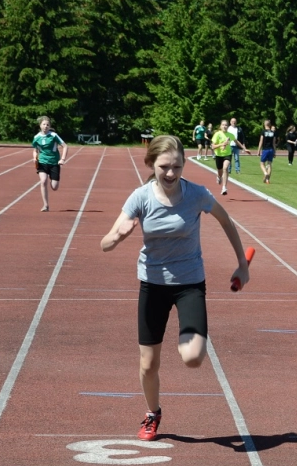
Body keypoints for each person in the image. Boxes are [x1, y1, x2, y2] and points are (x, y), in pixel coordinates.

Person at [100, 135, 250, 441]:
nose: (170, 173)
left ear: (184, 165)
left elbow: (226, 221)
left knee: (193, 357)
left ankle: (190, 334)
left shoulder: (196, 194)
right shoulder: (140, 198)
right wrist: (119, 237)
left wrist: (242, 265)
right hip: (152, 285)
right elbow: (105, 244)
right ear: (151, 164)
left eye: (177, 167)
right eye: (164, 167)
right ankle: (152, 413)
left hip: (189, 284)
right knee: (148, 364)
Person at [32, 116, 68, 212]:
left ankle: (54, 180)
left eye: (47, 124)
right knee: (43, 181)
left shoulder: (53, 135)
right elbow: (35, 150)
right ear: (40, 125)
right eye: (44, 124)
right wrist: (35, 158)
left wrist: (63, 159)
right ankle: (45, 205)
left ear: (49, 126)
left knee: (54, 187)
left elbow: (65, 146)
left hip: (54, 163)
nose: (45, 126)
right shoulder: (36, 137)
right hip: (42, 162)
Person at [212, 119, 250, 195]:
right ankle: (219, 177)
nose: (224, 126)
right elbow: (213, 146)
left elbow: (237, 142)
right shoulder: (217, 134)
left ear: (227, 126)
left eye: (226, 125)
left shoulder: (230, 135)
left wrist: (244, 149)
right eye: (223, 125)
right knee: (220, 172)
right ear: (220, 126)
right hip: (219, 155)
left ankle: (224, 187)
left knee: (225, 168)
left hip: (227, 154)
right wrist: (221, 144)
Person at [257, 119, 276, 184]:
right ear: (270, 125)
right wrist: (274, 152)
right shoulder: (273, 132)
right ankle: (267, 180)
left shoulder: (263, 132)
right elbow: (274, 143)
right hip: (271, 149)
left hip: (265, 149)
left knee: (262, 163)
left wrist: (258, 150)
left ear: (264, 124)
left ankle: (265, 173)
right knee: (269, 164)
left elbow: (261, 141)